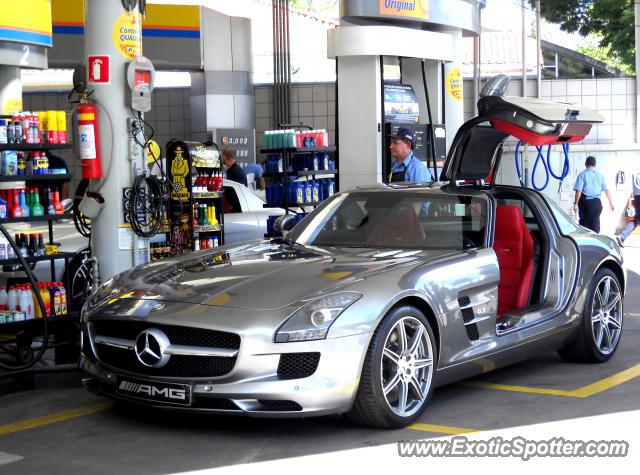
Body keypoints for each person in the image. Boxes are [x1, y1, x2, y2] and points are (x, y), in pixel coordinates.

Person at [573, 156, 614, 233]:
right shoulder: (600, 175)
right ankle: (595, 242)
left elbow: (578, 190)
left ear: (585, 164)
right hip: (597, 204)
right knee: (595, 225)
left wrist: (576, 203)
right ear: (595, 164)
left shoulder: (582, 175)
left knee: (584, 226)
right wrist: (611, 203)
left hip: (587, 204)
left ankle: (586, 243)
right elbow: (607, 190)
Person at [618, 171, 640, 245]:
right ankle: (622, 237)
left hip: (636, 198)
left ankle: (622, 237)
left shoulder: (635, 174)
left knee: (636, 220)